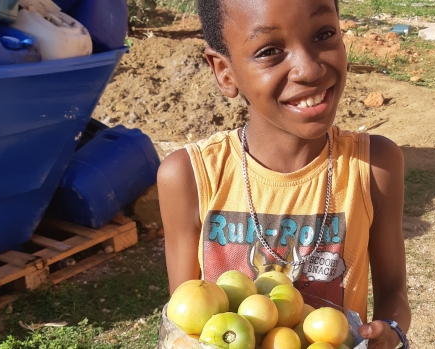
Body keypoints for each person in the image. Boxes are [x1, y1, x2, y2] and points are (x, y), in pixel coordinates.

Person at [157, 0, 411, 347]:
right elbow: (184, 320)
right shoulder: (189, 177)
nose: (307, 69)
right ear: (224, 72)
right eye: (269, 50)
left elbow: (394, 288)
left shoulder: (373, 166)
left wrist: (390, 330)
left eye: (324, 34)